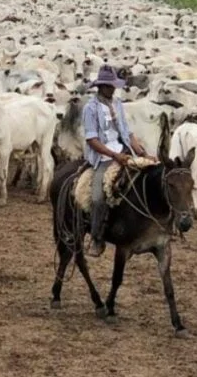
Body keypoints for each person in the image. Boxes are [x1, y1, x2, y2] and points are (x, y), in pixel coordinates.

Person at [81, 64, 158, 257]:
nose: (113, 89)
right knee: (98, 198)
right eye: (109, 86)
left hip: (124, 151)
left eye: (113, 86)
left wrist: (142, 153)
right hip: (103, 157)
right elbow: (92, 139)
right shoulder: (90, 108)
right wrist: (114, 156)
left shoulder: (117, 105)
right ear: (101, 87)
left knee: (149, 180)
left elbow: (127, 132)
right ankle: (97, 238)